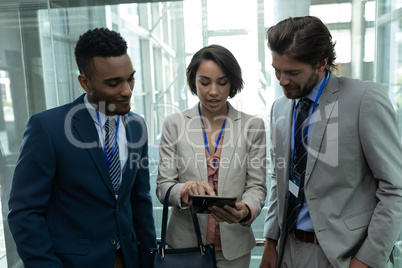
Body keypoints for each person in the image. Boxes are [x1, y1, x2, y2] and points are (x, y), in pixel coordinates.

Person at [259, 16, 402, 268]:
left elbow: (395, 189)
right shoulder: (279, 108)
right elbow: (278, 178)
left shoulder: (364, 99)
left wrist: (366, 261)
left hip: (344, 256)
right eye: (276, 70)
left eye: (292, 72)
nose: (281, 81)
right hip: (287, 251)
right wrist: (271, 241)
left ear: (321, 63)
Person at [8, 28, 156, 268]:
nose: (127, 91)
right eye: (113, 83)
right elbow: (24, 212)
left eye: (130, 78)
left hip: (129, 259)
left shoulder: (137, 125)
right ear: (85, 82)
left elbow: (140, 199)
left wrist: (149, 259)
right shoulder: (48, 128)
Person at [156, 44, 267, 267]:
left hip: (234, 248)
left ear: (232, 83)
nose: (213, 91)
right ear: (193, 82)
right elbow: (163, 187)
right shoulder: (174, 124)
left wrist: (246, 210)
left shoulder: (252, 126)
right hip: (185, 248)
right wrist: (186, 189)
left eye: (222, 82)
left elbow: (257, 186)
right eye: (204, 82)